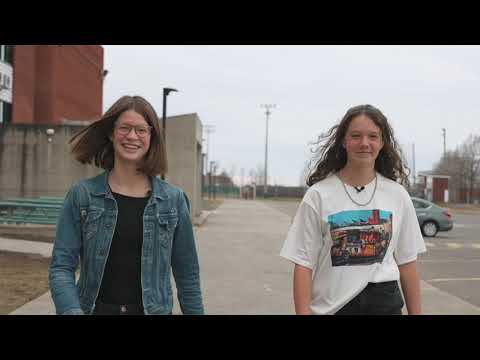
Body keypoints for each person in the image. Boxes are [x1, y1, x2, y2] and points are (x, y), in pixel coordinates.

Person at [49, 95, 204, 315]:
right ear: (112, 133)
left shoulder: (173, 201)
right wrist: (71, 310)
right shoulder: (82, 195)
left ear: (152, 137)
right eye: (125, 128)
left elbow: (187, 274)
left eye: (141, 130)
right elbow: (61, 267)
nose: (132, 136)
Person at [280, 104, 426, 315]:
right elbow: (303, 264)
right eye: (356, 135)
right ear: (343, 141)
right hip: (334, 308)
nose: (364, 143)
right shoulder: (319, 195)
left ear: (382, 142)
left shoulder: (398, 195)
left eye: (373, 136)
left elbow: (407, 263)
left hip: (385, 304)